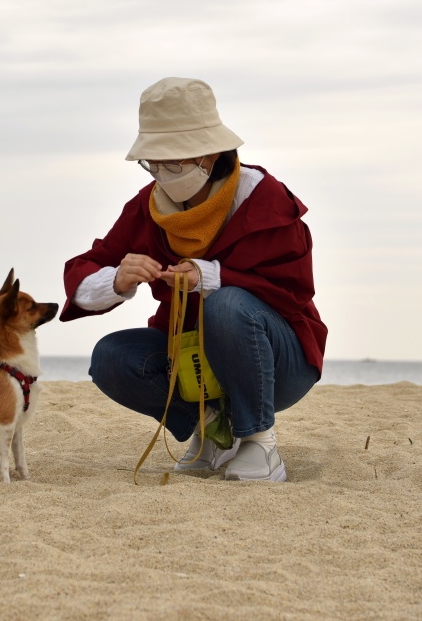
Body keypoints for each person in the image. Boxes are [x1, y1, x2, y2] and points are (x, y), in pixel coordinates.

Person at [60, 77, 327, 482]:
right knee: (112, 356)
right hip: (192, 361)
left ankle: (260, 442)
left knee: (226, 304)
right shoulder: (147, 206)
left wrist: (212, 276)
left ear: (211, 153)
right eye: (153, 163)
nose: (162, 174)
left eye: (174, 162)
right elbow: (86, 267)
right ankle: (213, 431)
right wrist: (116, 280)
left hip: (279, 363)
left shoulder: (265, 199)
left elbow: (294, 294)